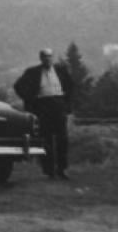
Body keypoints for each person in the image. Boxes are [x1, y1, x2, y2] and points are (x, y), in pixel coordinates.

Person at [14, 47, 75, 180]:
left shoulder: (61, 71)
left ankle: (62, 169)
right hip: (42, 107)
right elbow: (18, 86)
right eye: (45, 57)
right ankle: (49, 171)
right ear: (41, 58)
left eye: (49, 56)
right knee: (46, 140)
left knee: (62, 140)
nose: (47, 59)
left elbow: (71, 87)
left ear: (52, 58)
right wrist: (30, 99)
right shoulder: (33, 72)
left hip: (58, 105)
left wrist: (67, 106)